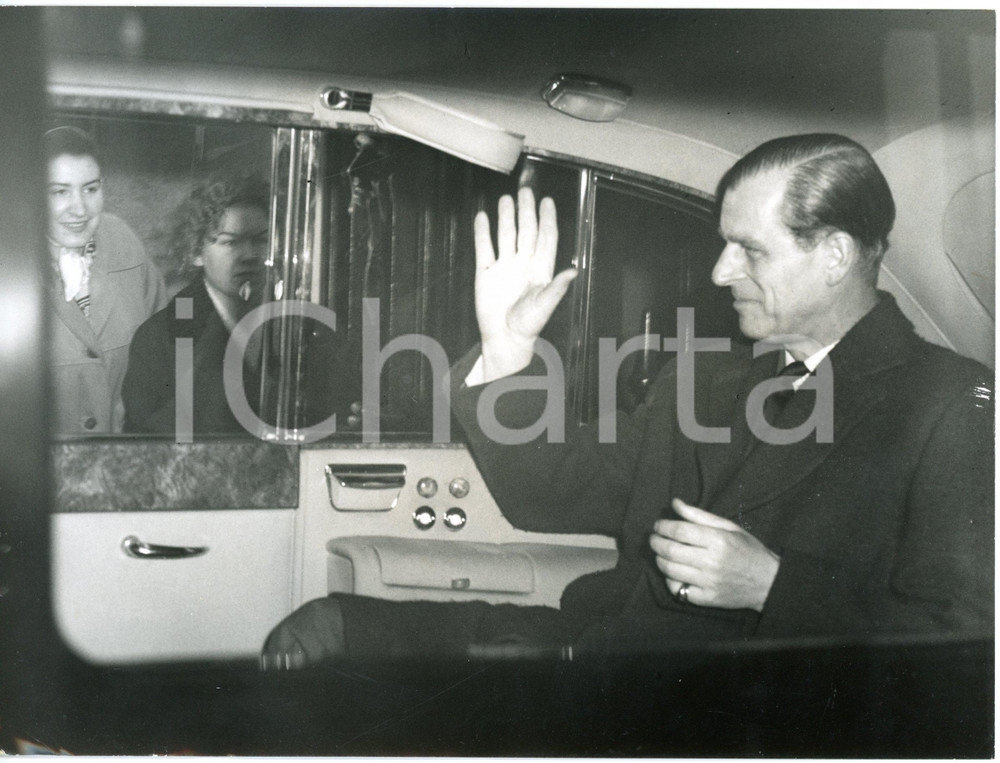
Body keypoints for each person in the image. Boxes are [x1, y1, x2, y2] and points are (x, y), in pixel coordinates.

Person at [261, 134, 993, 667]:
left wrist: (771, 585)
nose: (717, 270)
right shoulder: (708, 381)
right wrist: (508, 349)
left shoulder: (946, 403)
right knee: (329, 642)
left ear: (834, 254)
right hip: (603, 657)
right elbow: (558, 493)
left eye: (748, 248)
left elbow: (965, 641)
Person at [122, 174, 273, 435]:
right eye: (230, 242)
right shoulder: (157, 341)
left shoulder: (300, 327)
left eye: (261, 240)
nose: (249, 255)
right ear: (195, 252)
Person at [46, 125, 166, 434]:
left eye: (90, 189)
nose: (79, 208)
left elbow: (167, 343)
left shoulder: (122, 239)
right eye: (60, 191)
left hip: (123, 462)